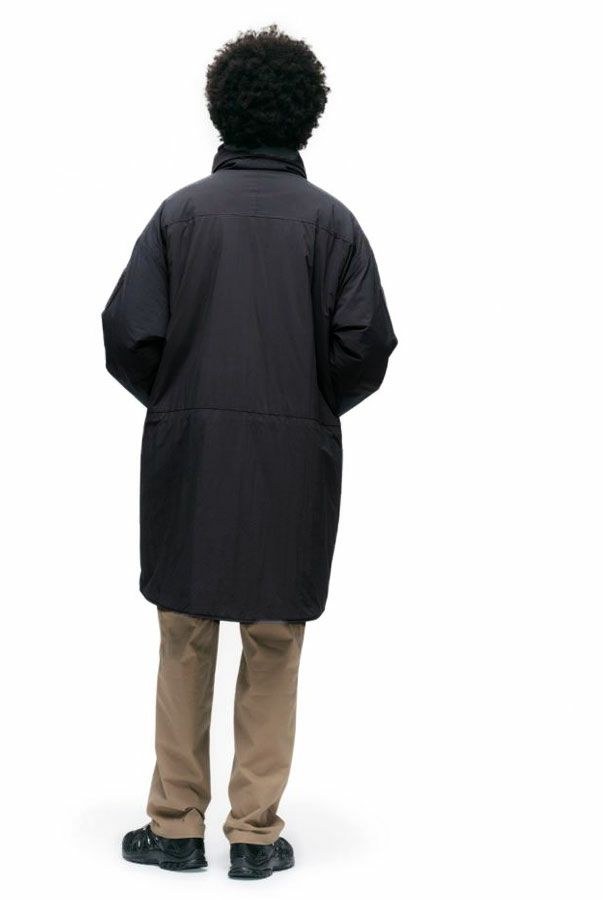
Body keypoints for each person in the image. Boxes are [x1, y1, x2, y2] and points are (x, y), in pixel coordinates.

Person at [101, 24, 398, 879]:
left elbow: (128, 335)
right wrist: (305, 405)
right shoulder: (334, 226)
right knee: (273, 640)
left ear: (221, 108)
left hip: (191, 456)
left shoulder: (180, 216)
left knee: (184, 635)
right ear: (306, 115)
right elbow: (366, 347)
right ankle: (256, 838)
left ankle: (175, 826)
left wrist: (183, 398)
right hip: (291, 467)